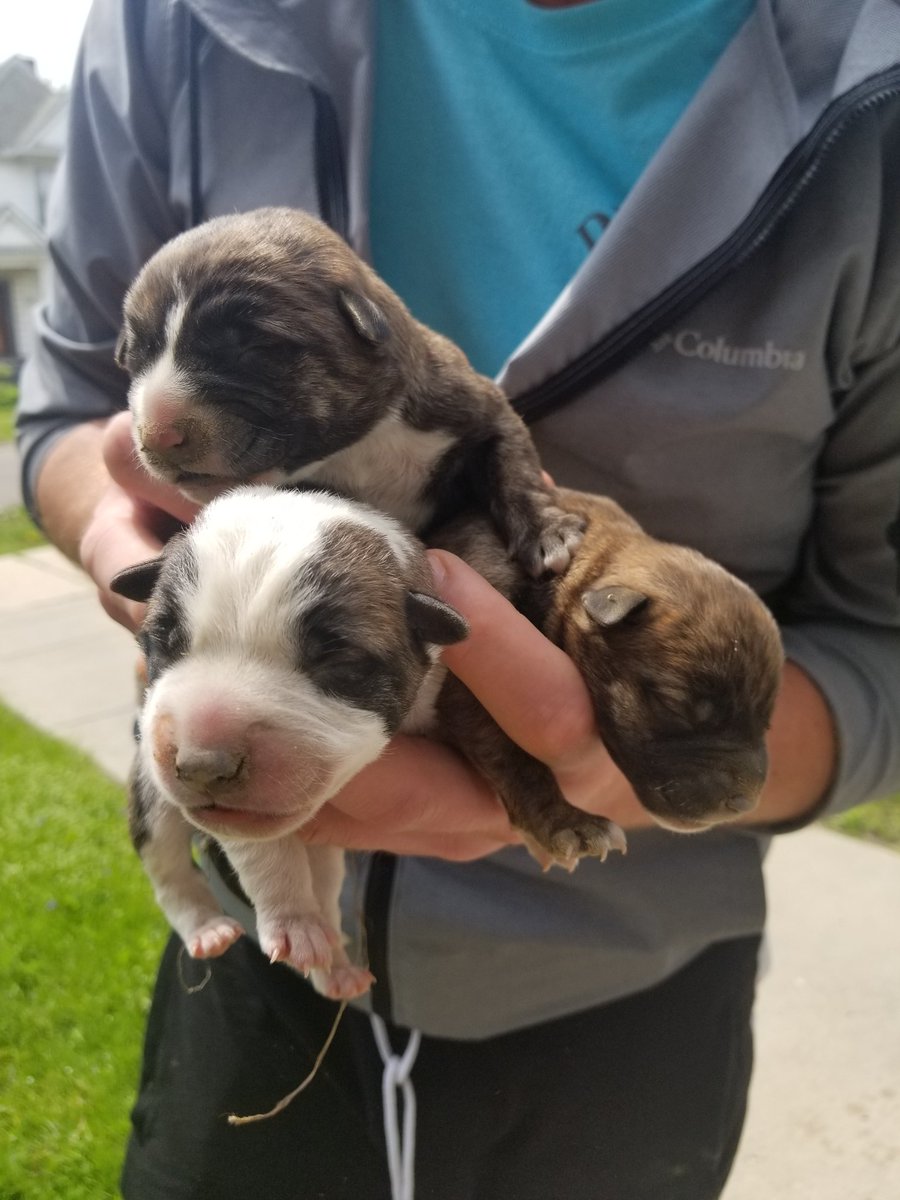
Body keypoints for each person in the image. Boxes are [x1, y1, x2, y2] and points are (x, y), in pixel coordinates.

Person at [16, 1, 900, 1197]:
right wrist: (146, 578)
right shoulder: (180, 18)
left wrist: (632, 766)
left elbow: (881, 642)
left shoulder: (870, 88)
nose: (167, 412)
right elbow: (69, 407)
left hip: (632, 985)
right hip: (265, 961)